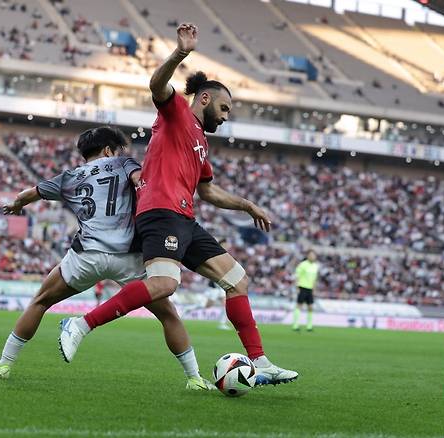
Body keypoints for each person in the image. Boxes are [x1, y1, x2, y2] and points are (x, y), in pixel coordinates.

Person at [58, 23, 298, 385]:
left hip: (185, 217)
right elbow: (157, 86)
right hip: (160, 212)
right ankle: (81, 323)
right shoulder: (176, 116)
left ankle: (260, 361)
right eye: (224, 107)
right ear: (204, 99)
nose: (226, 115)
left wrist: (247, 205)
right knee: (164, 285)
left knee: (237, 279)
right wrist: (181, 53)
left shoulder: (201, 142)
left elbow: (209, 192)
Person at [0, 126, 214, 390]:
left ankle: (4, 364)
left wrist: (16, 205)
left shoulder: (69, 177)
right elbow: (140, 180)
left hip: (87, 257)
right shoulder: (124, 162)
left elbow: (29, 194)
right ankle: (195, 378)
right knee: (169, 315)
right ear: (108, 150)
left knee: (40, 301)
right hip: (129, 258)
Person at [292, 250, 319, 332]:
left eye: (313, 255)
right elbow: (297, 276)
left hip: (310, 289)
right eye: (311, 255)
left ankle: (309, 326)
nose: (312, 257)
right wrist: (297, 287)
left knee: (310, 307)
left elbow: (314, 279)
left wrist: (314, 289)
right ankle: (295, 325)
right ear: (308, 256)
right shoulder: (303, 264)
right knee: (299, 305)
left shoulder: (315, 266)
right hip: (302, 287)